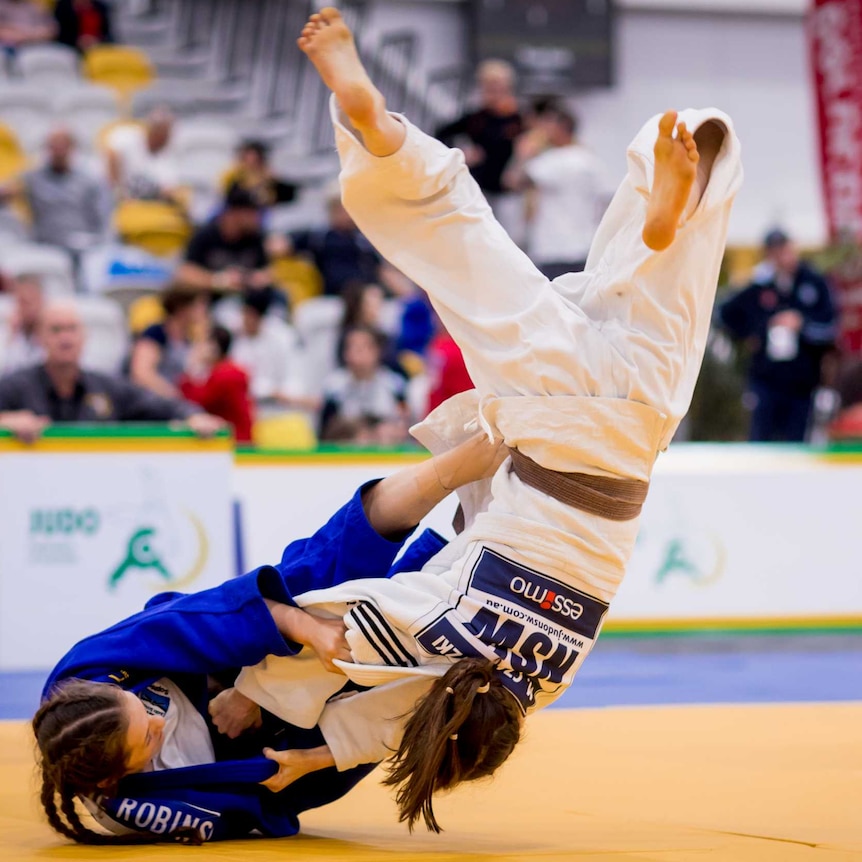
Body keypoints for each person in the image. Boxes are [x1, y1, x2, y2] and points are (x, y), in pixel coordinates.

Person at [227, 8, 742, 834]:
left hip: (642, 420)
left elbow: (407, 720)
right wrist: (251, 693)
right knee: (454, 235)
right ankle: (382, 132)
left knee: (678, 234)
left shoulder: (549, 679)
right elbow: (336, 627)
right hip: (552, 415)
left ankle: (667, 215)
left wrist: (326, 747)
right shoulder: (447, 632)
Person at [33, 434, 505, 843]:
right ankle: (471, 544)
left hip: (221, 661)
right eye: (147, 738)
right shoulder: (134, 810)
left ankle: (456, 466)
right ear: (117, 778)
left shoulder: (88, 674)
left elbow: (192, 621)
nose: (158, 724)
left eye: (143, 714)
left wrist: (265, 673)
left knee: (310, 582)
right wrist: (306, 750)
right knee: (392, 676)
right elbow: (258, 795)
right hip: (273, 754)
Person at [0, 300, 223, 442]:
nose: (65, 338)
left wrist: (193, 416)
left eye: (72, 329)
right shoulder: (15, 386)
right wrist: (5, 422)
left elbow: (160, 406)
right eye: (56, 330)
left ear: (84, 337)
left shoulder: (107, 387)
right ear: (39, 338)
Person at [718, 228, 837, 442]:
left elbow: (829, 328)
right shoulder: (760, 285)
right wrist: (753, 334)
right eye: (774, 251)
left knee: (796, 443)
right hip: (766, 379)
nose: (781, 256)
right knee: (761, 441)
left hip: (802, 381)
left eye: (784, 249)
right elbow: (724, 313)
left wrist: (801, 325)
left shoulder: (814, 283)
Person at [503, 104, 607, 278]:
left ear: (560, 128)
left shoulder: (552, 161)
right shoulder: (589, 159)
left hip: (554, 248)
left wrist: (523, 154)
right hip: (584, 245)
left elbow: (512, 181)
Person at [0, 126, 110, 264]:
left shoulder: (89, 180)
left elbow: (102, 217)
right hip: (47, 245)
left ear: (72, 148)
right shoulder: (32, 178)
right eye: (53, 146)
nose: (58, 151)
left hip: (84, 245)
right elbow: (7, 190)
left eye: (62, 146)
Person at [436, 59, 523, 218]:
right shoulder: (476, 118)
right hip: (478, 188)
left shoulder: (519, 119)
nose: (494, 93)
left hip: (508, 193)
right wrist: (460, 153)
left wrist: (519, 166)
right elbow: (441, 133)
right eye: (488, 87)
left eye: (498, 87)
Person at [271, 189, 381, 297]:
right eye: (340, 210)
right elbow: (280, 245)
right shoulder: (319, 237)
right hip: (327, 296)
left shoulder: (362, 238)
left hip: (360, 296)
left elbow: (381, 269)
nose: (346, 215)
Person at [175, 186, 274, 299]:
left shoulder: (256, 237)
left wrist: (253, 279)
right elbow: (185, 273)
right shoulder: (206, 235)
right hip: (210, 298)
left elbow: (267, 272)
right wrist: (218, 281)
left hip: (244, 299)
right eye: (252, 213)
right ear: (234, 213)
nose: (258, 218)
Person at [230, 289, 316, 416]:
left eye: (250, 315)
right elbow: (237, 380)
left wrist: (286, 394)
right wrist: (270, 391)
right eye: (244, 314)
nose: (246, 319)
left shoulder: (283, 336)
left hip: (284, 410)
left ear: (260, 316)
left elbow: (295, 377)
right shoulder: (237, 339)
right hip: (249, 408)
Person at [319, 324, 409, 444]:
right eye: (349, 348)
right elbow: (324, 433)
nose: (354, 355)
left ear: (376, 351)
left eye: (361, 349)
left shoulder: (395, 385)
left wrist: (389, 431)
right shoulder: (334, 387)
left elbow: (405, 426)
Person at [179, 324, 254, 443]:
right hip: (226, 439)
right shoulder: (220, 371)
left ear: (214, 347)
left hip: (237, 443)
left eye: (200, 343)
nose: (195, 348)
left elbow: (195, 400)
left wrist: (190, 369)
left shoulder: (229, 374)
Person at [129, 287, 209, 399]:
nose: (204, 310)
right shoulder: (155, 333)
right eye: (199, 305)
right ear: (182, 307)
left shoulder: (190, 339)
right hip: (151, 400)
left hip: (174, 403)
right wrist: (175, 396)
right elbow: (141, 373)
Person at [107, 109, 183, 207]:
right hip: (121, 202)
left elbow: (169, 189)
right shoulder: (129, 137)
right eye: (162, 133)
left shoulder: (167, 155)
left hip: (148, 207)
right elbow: (111, 155)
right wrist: (118, 192)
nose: (166, 139)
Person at [221, 139, 298, 209]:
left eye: (256, 159)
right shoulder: (234, 174)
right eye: (249, 158)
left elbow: (280, 194)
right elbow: (229, 195)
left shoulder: (267, 174)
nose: (252, 162)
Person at [0, 273, 45, 375]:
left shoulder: (53, 330)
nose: (28, 308)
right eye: (22, 302)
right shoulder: (7, 332)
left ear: (42, 301)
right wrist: (12, 336)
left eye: (32, 301)